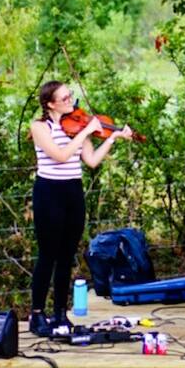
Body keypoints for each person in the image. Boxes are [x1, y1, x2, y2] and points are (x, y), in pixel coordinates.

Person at [29, 82, 133, 337]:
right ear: (50, 104)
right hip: (49, 192)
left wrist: (113, 137)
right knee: (47, 255)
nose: (71, 102)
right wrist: (86, 130)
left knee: (66, 256)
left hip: (73, 192)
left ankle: (60, 313)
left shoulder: (78, 125)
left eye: (70, 96)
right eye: (64, 99)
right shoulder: (40, 127)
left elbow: (92, 161)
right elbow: (60, 155)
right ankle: (37, 313)